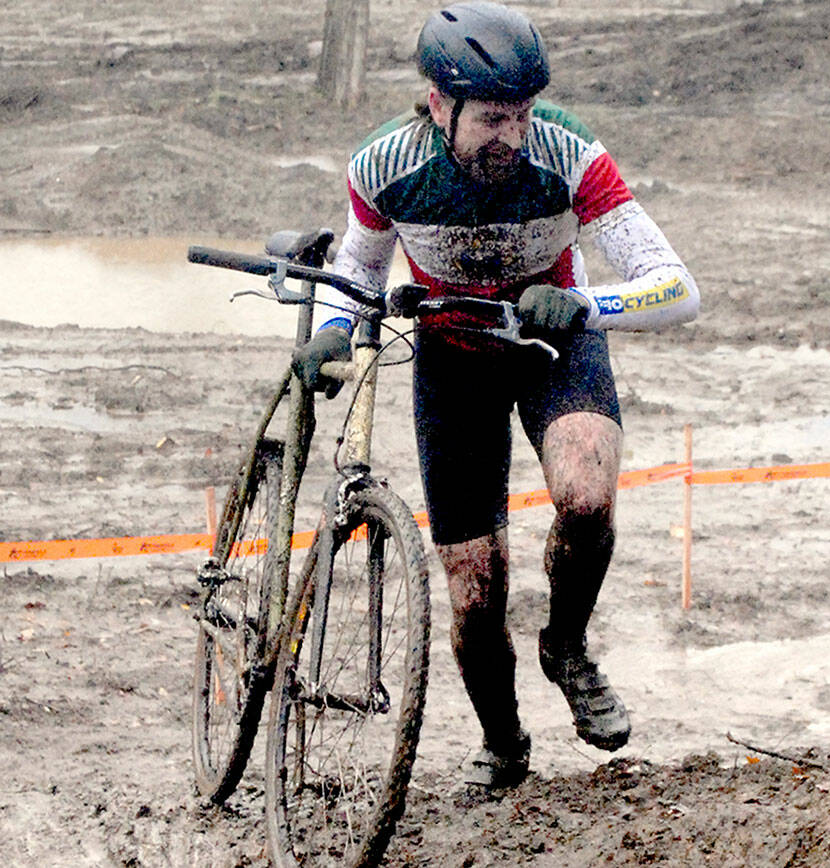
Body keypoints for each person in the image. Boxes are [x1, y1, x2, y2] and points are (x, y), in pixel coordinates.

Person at [292, 0, 699, 790]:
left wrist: (588, 305)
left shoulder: (569, 153)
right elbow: (362, 270)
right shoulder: (386, 166)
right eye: (489, 119)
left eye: (520, 116)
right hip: (452, 359)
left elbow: (679, 288)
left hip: (554, 342)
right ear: (439, 105)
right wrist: (337, 328)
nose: (509, 136)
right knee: (475, 591)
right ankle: (504, 743)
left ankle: (567, 647)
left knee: (586, 494)